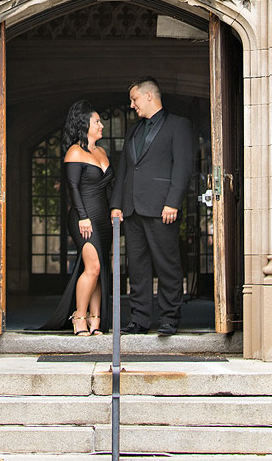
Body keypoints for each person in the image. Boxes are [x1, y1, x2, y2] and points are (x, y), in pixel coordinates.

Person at [110, 78, 194, 336]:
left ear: (148, 96)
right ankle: (140, 318)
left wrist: (173, 202)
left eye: (134, 99)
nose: (132, 105)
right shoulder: (134, 130)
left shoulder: (178, 125)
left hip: (162, 209)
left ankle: (169, 318)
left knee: (168, 265)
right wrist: (116, 204)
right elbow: (125, 169)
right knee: (136, 266)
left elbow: (183, 167)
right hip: (132, 209)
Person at [42, 100, 113, 335]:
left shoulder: (101, 151)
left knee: (99, 268)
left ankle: (96, 320)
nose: (101, 125)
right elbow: (72, 187)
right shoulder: (75, 151)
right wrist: (83, 217)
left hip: (103, 218)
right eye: (97, 122)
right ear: (84, 124)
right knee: (92, 266)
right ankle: (79, 317)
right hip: (84, 218)